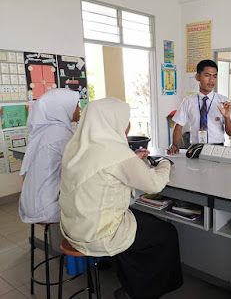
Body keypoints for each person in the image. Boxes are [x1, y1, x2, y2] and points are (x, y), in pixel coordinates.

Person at [59, 98, 183, 299]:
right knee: (166, 233)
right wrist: (165, 164)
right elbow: (155, 184)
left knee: (138, 224)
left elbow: (106, 167)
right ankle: (142, 291)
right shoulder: (116, 153)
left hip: (73, 227)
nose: (128, 125)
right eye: (126, 119)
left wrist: (132, 159)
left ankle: (129, 279)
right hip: (98, 235)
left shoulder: (75, 146)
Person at [19, 88, 81, 223]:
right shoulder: (60, 135)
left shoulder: (46, 131)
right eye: (76, 105)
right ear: (63, 108)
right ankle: (76, 241)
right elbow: (78, 166)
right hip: (45, 207)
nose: (79, 109)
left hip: (30, 203)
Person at [167, 59, 231, 154]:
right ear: (197, 77)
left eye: (214, 76)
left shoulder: (224, 102)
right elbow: (178, 126)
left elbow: (230, 133)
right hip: (195, 147)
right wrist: (174, 145)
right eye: (207, 75)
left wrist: (227, 117)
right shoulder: (188, 101)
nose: (211, 80)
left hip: (217, 148)